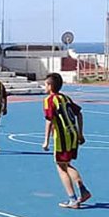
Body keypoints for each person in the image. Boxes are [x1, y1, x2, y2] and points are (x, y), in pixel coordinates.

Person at [41, 73, 91, 209]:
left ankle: (72, 199)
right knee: (67, 164)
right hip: (73, 134)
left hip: (62, 137)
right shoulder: (66, 98)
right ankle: (83, 191)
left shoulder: (49, 100)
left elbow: (49, 120)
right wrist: (80, 133)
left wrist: (45, 140)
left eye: (45, 84)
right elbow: (79, 113)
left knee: (61, 167)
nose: (44, 86)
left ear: (50, 86)